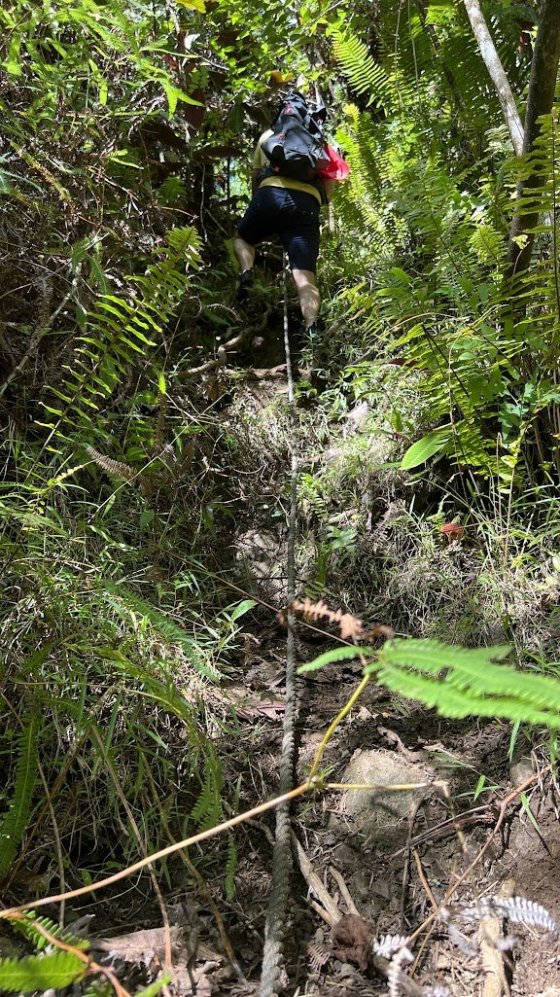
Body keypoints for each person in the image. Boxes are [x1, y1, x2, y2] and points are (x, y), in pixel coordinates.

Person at [233, 101, 333, 336]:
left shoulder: (269, 136)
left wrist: (261, 205)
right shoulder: (319, 142)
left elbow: (256, 177)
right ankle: (311, 327)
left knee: (242, 238)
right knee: (305, 277)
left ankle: (246, 270)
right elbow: (329, 189)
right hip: (306, 205)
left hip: (269, 195)